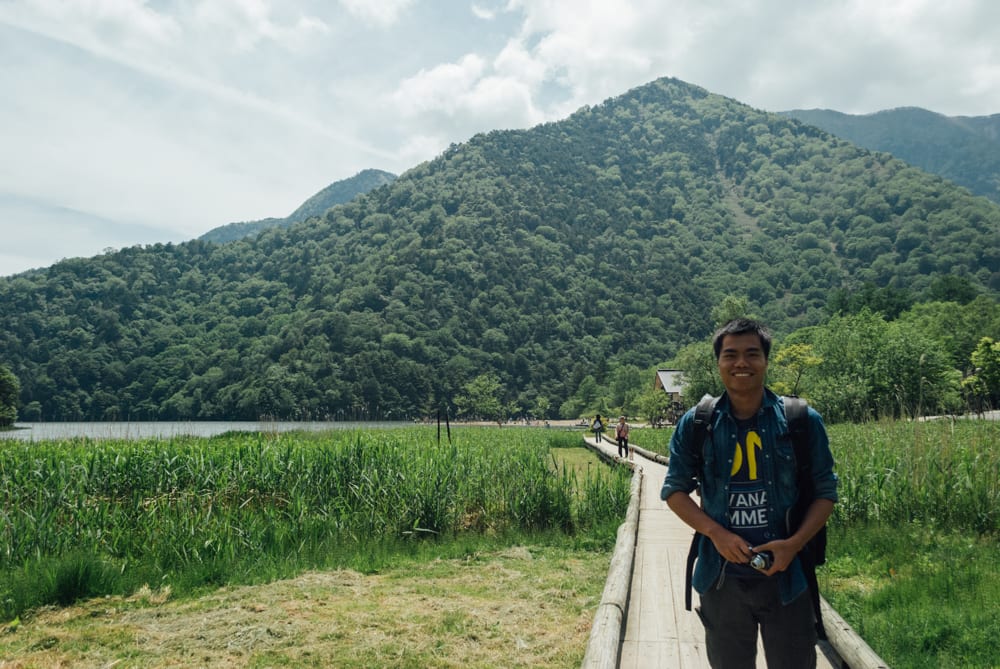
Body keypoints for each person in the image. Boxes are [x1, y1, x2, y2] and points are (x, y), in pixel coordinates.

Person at [661, 318, 838, 669]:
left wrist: (794, 544)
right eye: (731, 355)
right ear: (719, 363)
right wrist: (716, 532)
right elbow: (675, 490)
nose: (741, 363)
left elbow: (825, 491)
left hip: (789, 577)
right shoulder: (697, 423)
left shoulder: (801, 420)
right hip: (721, 578)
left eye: (751, 354)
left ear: (766, 361)